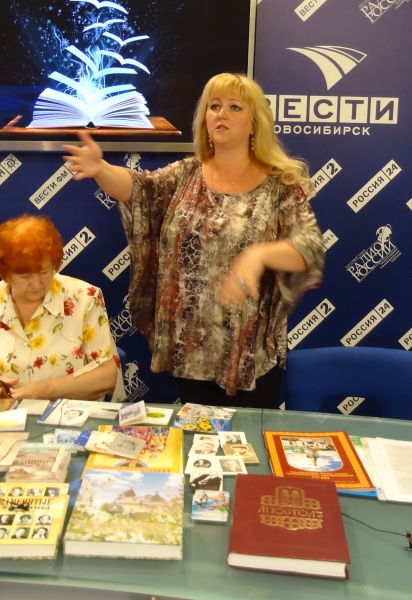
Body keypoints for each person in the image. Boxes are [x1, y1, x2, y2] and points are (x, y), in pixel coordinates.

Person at [62, 72, 324, 408]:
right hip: (191, 352)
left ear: (254, 124)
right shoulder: (186, 174)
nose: (221, 114)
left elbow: (310, 248)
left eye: (234, 107)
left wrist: (257, 256)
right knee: (199, 439)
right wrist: (100, 168)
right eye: (214, 106)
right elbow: (139, 190)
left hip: (249, 356)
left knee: (246, 440)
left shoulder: (279, 187)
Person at [0, 214, 125, 402]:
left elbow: (107, 374)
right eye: (25, 276)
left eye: (44, 272)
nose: (37, 284)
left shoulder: (84, 298)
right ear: (5, 274)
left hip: (67, 417)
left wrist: (41, 392)